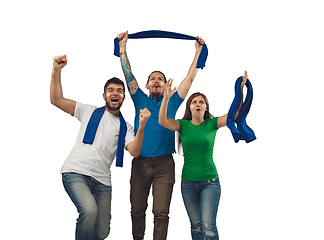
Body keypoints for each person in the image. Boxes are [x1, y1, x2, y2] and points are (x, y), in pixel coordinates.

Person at [50, 54, 151, 240]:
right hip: (76, 172)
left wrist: (142, 125)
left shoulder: (126, 127)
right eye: (111, 90)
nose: (115, 93)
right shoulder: (87, 111)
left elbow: (135, 151)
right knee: (89, 211)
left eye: (120, 91)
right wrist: (56, 70)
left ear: (123, 97)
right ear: (104, 95)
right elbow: (56, 99)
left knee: (102, 231)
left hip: (102, 181)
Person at [116, 31, 205, 240]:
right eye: (153, 79)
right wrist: (123, 49)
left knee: (161, 213)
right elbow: (128, 74)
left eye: (160, 79)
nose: (156, 80)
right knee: (137, 211)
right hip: (140, 162)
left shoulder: (172, 100)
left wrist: (198, 54)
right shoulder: (139, 99)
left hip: (165, 163)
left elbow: (190, 78)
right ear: (146, 85)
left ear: (165, 84)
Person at [158, 71, 248, 240]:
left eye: (201, 102)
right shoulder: (182, 125)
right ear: (189, 107)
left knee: (209, 227)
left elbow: (235, 114)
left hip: (210, 183)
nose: (197, 104)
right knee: (196, 227)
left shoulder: (212, 124)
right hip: (188, 184)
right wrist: (166, 97)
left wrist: (240, 91)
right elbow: (162, 121)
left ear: (206, 107)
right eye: (194, 102)